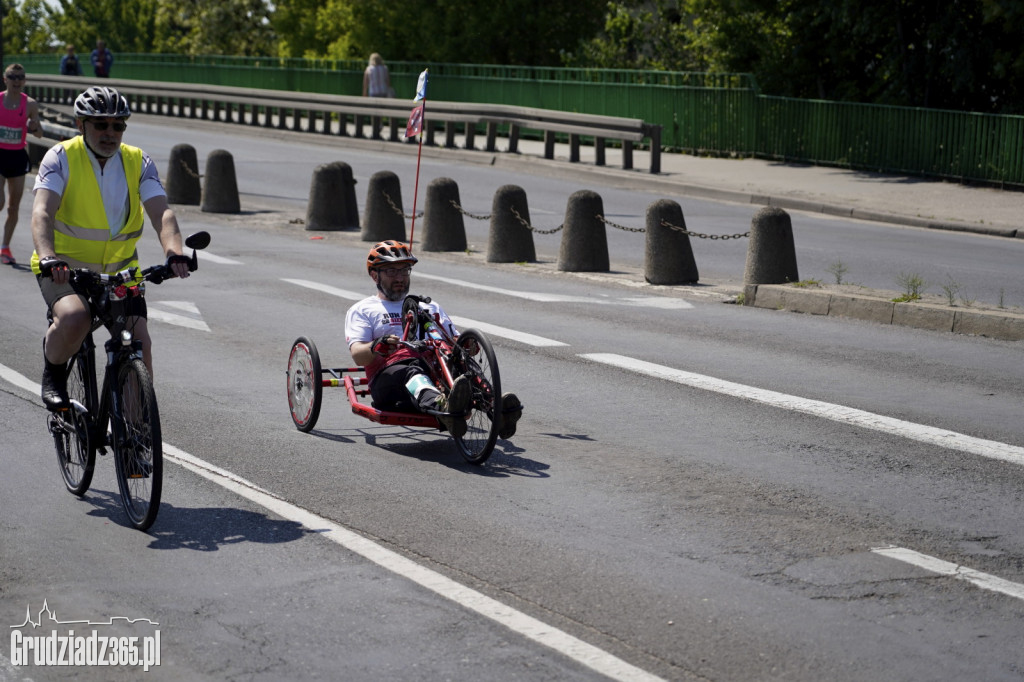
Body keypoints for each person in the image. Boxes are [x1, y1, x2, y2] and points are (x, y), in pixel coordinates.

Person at [31, 86, 190, 410]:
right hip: (65, 269)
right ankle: (54, 373)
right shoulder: (61, 157)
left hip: (121, 272)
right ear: (81, 125)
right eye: (100, 124)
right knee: (75, 318)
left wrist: (174, 252)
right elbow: (42, 212)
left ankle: (135, 433)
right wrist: (49, 256)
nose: (110, 133)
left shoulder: (137, 161)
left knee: (139, 344)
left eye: (117, 126)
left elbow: (163, 213)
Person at [345, 241, 522, 439]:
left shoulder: (430, 307)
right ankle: (442, 405)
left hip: (435, 366)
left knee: (464, 364)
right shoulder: (362, 310)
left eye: (404, 270)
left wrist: (467, 347)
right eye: (391, 271)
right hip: (390, 378)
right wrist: (377, 345)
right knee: (411, 368)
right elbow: (358, 355)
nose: (400, 278)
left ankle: (495, 409)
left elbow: (453, 341)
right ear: (374, 275)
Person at [0, 64, 43, 265]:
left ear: (24, 81)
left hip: (17, 156)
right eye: (12, 76)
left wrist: (34, 127)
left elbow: (39, 133)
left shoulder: (30, 104)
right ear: (5, 79)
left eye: (20, 77)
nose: (16, 80)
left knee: (13, 207)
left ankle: (5, 248)